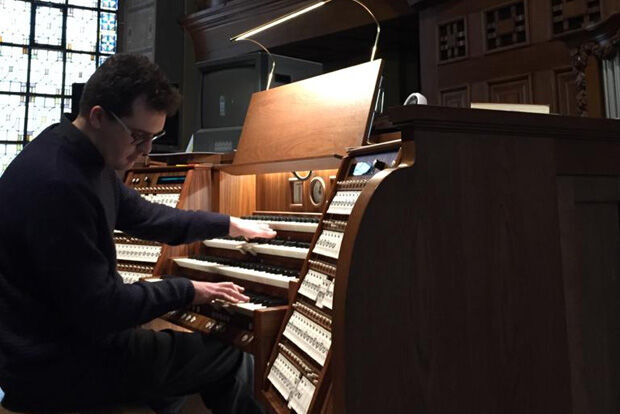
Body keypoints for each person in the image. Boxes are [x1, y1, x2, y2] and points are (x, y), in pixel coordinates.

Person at [0, 53, 275, 413]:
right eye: (139, 136)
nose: (146, 152)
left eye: (154, 137)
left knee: (176, 365)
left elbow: (148, 216)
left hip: (57, 347)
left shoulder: (77, 153)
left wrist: (227, 224)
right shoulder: (60, 184)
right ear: (99, 117)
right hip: (53, 367)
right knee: (228, 354)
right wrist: (187, 289)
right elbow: (104, 309)